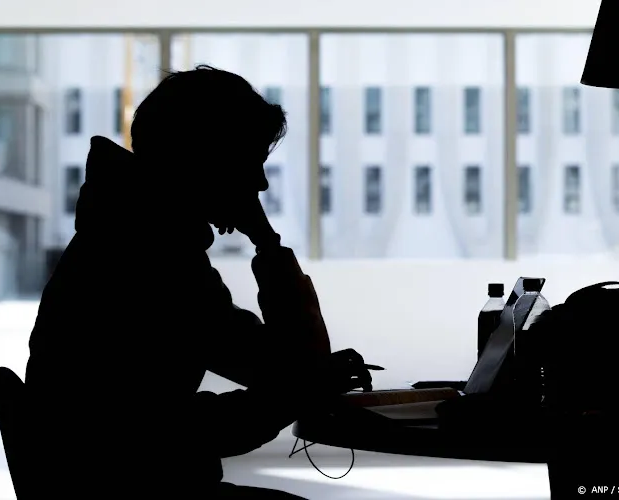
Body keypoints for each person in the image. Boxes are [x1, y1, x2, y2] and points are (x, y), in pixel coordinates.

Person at [24, 65, 373, 499]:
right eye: (252, 163)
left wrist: (300, 383)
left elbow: (276, 370)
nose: (261, 184)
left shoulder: (126, 237)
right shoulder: (154, 257)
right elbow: (273, 374)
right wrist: (266, 243)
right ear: (209, 157)